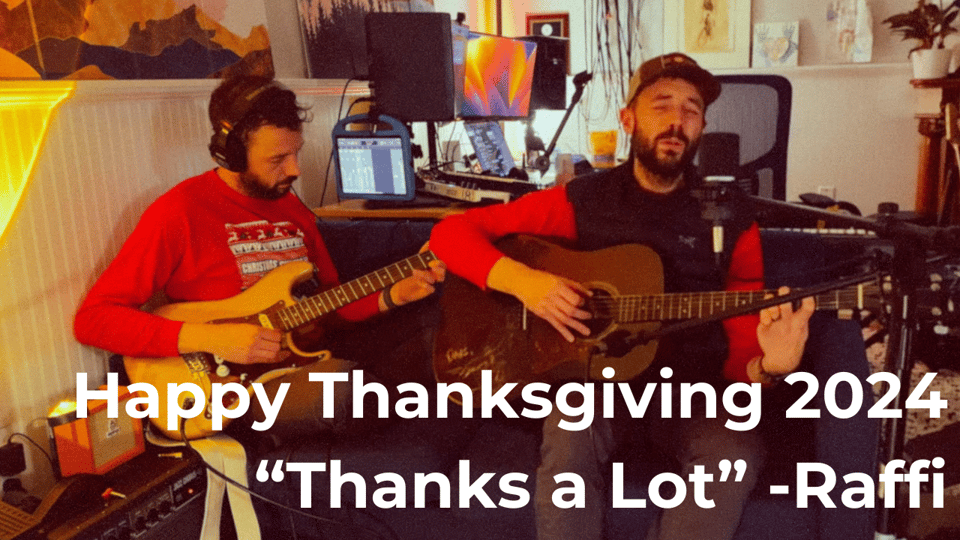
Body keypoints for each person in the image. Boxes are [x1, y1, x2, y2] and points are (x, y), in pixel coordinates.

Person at [429, 53, 816, 540]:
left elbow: (743, 347)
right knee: (570, 431)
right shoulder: (581, 201)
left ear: (702, 128)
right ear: (628, 118)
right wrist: (526, 282)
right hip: (595, 389)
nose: (677, 120)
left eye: (692, 109)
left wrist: (769, 369)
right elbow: (451, 235)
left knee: (735, 453)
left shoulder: (733, 219)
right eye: (662, 104)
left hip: (690, 397)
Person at [74, 75, 445, 440]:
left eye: (296, 152)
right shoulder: (179, 212)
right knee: (348, 394)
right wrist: (212, 339)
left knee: (440, 325)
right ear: (232, 154)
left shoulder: (290, 208)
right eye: (278, 159)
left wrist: (393, 295)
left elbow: (327, 306)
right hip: (235, 383)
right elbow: (93, 320)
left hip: (306, 357)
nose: (295, 170)